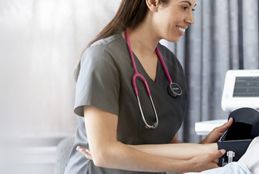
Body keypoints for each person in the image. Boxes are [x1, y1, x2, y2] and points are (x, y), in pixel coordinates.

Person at [64, 0, 233, 173]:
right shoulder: (103, 57)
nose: (191, 19)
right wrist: (188, 165)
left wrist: (203, 147)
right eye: (184, 7)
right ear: (153, 2)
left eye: (193, 9)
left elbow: (167, 145)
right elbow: (104, 153)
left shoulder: (171, 65)